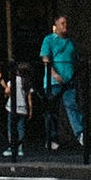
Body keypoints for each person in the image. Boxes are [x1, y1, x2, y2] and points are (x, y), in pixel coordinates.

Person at [37, 11, 82, 152]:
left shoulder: (70, 42)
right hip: (54, 81)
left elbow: (75, 58)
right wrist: (53, 73)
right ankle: (52, 137)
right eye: (62, 23)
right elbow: (45, 58)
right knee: (52, 110)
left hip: (69, 80)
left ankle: (80, 133)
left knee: (71, 105)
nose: (65, 26)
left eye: (66, 23)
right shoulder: (49, 40)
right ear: (55, 25)